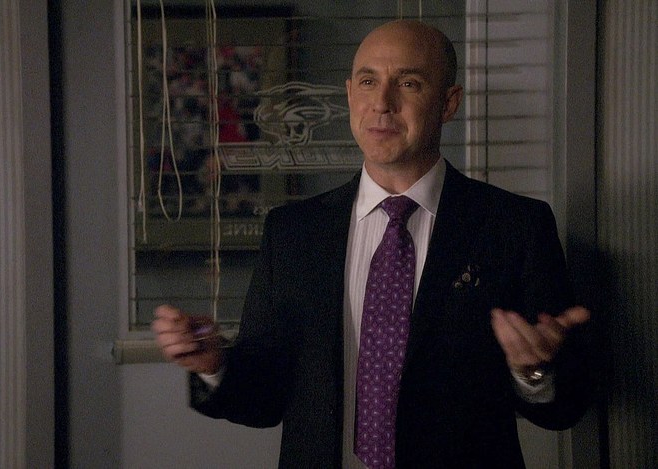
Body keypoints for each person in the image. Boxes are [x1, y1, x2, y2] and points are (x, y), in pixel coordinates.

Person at [152, 19, 594, 468]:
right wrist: (214, 364)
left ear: (448, 103)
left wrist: (533, 371)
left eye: (408, 83)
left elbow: (566, 408)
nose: (382, 103)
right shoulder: (293, 232)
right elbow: (263, 401)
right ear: (349, 95)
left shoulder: (515, 226)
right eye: (368, 82)